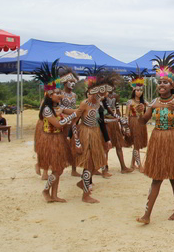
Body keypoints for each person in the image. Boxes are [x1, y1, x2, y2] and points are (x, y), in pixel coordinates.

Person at [136, 52, 174, 224]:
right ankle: (147, 215)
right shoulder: (153, 102)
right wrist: (140, 113)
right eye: (159, 82)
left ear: (172, 85)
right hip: (158, 140)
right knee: (156, 177)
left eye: (165, 82)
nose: (161, 85)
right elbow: (143, 122)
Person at [32, 60, 79, 203]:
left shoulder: (57, 108)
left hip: (58, 139)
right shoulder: (47, 110)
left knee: (58, 168)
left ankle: (53, 194)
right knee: (57, 168)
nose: (60, 95)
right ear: (50, 95)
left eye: (60, 92)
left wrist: (78, 112)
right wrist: (72, 116)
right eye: (57, 93)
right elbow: (58, 124)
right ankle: (46, 191)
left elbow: (68, 115)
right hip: (51, 139)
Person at [72, 66, 114, 203]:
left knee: (96, 163)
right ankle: (85, 195)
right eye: (92, 92)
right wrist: (76, 141)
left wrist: (107, 139)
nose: (95, 95)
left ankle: (83, 185)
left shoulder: (99, 106)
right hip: (85, 134)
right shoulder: (84, 104)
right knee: (88, 164)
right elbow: (74, 122)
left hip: (96, 135)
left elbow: (101, 123)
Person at [102, 76, 132, 176]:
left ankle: (123, 167)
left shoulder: (116, 96)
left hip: (114, 123)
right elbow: (104, 110)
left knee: (119, 145)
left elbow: (117, 108)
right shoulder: (103, 97)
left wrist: (121, 122)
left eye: (113, 85)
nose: (112, 87)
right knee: (106, 146)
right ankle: (105, 168)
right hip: (106, 122)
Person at [58, 66, 81, 177]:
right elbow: (60, 109)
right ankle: (48, 170)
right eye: (70, 82)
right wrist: (75, 112)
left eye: (73, 82)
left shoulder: (74, 95)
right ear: (65, 82)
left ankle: (74, 169)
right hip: (62, 122)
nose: (72, 84)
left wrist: (75, 115)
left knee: (73, 147)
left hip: (73, 123)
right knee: (58, 147)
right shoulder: (60, 94)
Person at [126, 66, 149, 171]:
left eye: (140, 90)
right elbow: (126, 115)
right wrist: (126, 127)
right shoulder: (130, 102)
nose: (139, 92)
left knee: (137, 143)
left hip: (141, 123)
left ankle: (132, 164)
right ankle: (139, 165)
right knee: (136, 143)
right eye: (137, 90)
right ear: (134, 90)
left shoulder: (143, 102)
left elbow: (151, 108)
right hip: (133, 123)